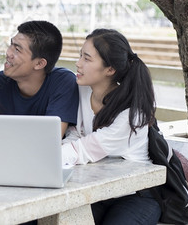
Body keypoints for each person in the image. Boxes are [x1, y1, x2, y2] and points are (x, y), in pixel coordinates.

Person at [61, 28, 161, 224]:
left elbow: (84, 149)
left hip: (135, 195)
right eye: (80, 55)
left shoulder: (131, 113)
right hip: (96, 191)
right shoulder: (82, 92)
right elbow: (76, 135)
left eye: (87, 59)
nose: (78, 63)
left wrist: (43, 157)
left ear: (110, 69)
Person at [0, 20, 79, 137]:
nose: (8, 53)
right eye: (11, 45)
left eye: (17, 49)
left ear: (39, 64)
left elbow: (51, 138)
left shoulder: (63, 82)